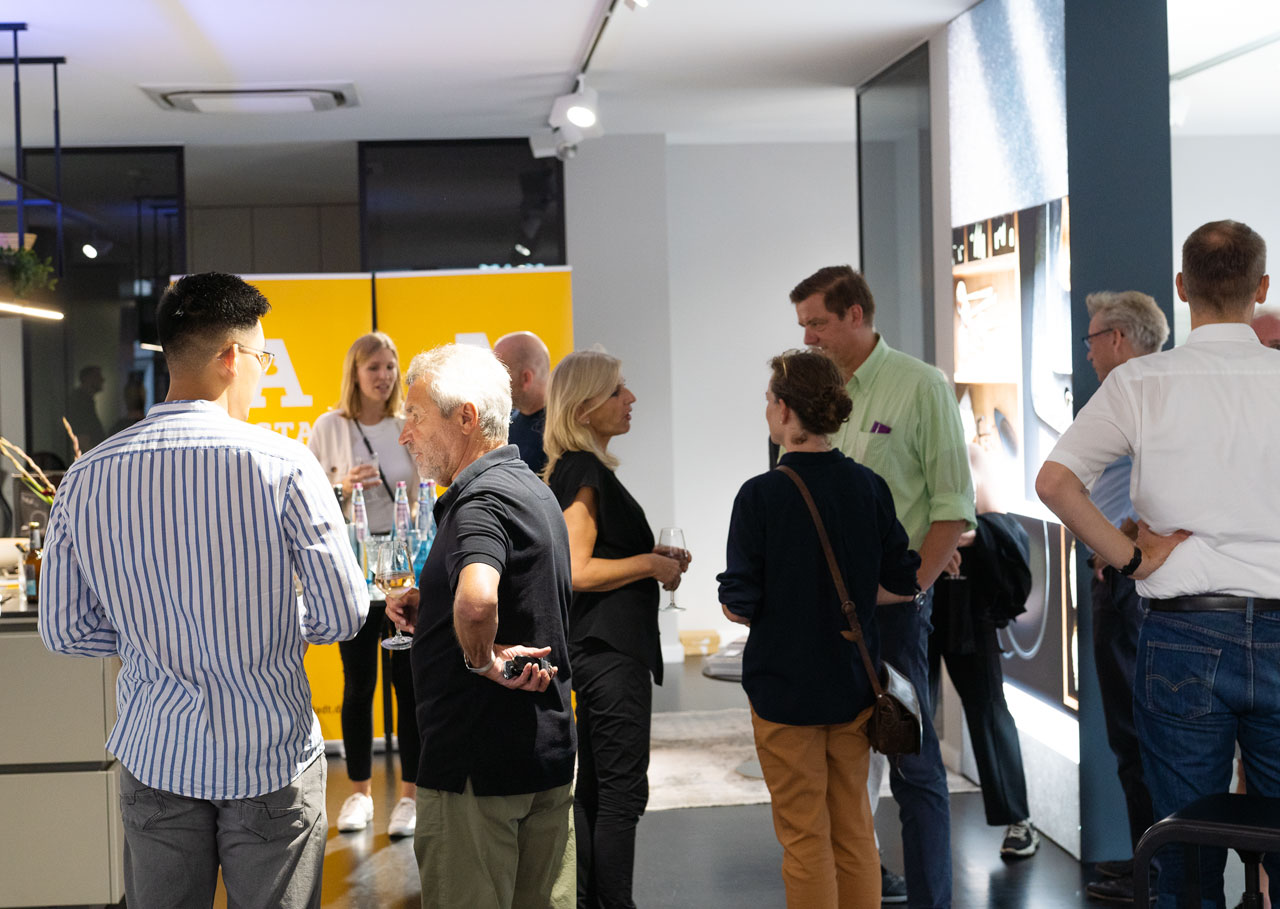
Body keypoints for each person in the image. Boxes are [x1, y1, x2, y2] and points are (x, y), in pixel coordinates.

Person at [38, 272, 369, 908]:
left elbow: (64, 629)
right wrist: (274, 621)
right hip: (269, 753)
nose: (263, 375)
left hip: (155, 753)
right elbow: (344, 612)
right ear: (231, 358)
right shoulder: (284, 464)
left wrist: (147, 632)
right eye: (264, 360)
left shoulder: (87, 475)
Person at [1037, 219, 1280, 909]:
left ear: (1180, 287)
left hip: (1183, 634)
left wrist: (1133, 557)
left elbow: (1055, 482)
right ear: (1262, 288)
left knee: (1183, 857)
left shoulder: (1142, 381)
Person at [791, 264, 976, 906]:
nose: (808, 337)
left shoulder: (921, 386)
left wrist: (915, 590)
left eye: (817, 323)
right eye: (803, 325)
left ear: (856, 314)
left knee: (913, 766)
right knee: (836, 764)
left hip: (893, 615)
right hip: (826, 615)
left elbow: (952, 506)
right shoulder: (816, 392)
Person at [718, 349, 920, 909]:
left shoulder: (759, 495)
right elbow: (903, 581)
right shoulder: (868, 486)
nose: (767, 409)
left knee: (804, 836)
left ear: (785, 410)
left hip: (785, 692)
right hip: (854, 686)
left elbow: (739, 604)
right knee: (854, 829)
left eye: (769, 400)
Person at [384, 343, 576, 909]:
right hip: (541, 758)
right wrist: (432, 606)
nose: (405, 434)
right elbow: (515, 592)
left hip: (475, 771)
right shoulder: (532, 489)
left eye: (415, 416)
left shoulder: (478, 503)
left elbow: (477, 602)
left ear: (466, 417)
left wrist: (483, 660)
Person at [541, 349, 690, 909]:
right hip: (608, 651)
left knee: (600, 789)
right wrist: (650, 564)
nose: (630, 399)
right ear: (583, 408)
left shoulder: (579, 469)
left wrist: (650, 559)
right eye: (616, 391)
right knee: (621, 791)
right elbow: (577, 571)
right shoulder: (584, 471)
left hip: (601, 648)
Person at [1073, 290, 1168, 903]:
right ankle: (1146, 863)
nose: (1087, 352)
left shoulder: (1140, 394)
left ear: (1117, 339)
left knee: (1137, 734)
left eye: (1092, 339)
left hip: (1129, 583)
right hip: (1121, 577)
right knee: (1129, 735)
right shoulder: (1142, 393)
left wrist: (1124, 550)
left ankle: (1153, 875)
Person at [307, 331, 422, 838]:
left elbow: (422, 497)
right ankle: (359, 793)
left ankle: (410, 797)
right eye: (373, 367)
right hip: (352, 569)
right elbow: (309, 496)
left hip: (401, 569)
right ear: (354, 372)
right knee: (358, 684)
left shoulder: (405, 426)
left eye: (390, 367)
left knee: (408, 684)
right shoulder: (329, 426)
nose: (384, 376)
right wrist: (342, 486)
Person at [928, 442, 1038, 857]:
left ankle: (1018, 819)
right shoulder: (891, 447)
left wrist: (957, 540)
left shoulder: (969, 454)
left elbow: (998, 523)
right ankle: (921, 818)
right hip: (910, 593)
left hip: (964, 598)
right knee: (912, 710)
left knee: (987, 706)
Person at [494, 330, 551, 474]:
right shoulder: (504, 424)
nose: (492, 382)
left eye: (499, 374)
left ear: (526, 378)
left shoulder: (562, 432)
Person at [64, 364, 106, 453]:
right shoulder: (80, 402)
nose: (102, 379)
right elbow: (82, 437)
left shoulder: (85, 400)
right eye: (97, 376)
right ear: (88, 379)